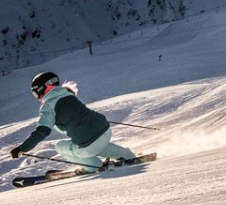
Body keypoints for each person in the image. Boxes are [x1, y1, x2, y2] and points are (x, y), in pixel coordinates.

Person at [9, 71, 137, 170]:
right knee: (95, 142)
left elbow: (42, 131)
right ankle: (127, 155)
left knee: (61, 146)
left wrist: (22, 148)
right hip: (105, 130)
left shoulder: (48, 106)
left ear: (42, 89)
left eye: (35, 93)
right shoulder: (68, 94)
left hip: (88, 143)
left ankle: (94, 167)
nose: (37, 97)